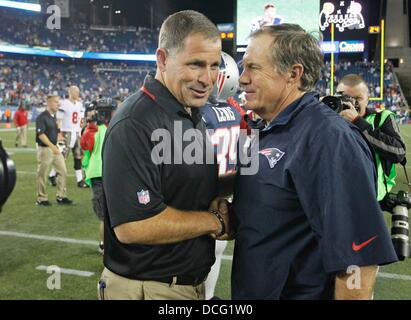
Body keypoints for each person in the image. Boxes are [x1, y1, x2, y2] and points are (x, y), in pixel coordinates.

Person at [230, 24, 397, 300]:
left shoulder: (328, 138)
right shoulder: (273, 128)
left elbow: (359, 260)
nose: (242, 78)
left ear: (293, 74)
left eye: (252, 68)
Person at [99, 10, 229, 300]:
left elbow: (186, 182)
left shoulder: (189, 111)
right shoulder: (135, 122)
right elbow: (134, 226)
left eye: (214, 66)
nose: (207, 78)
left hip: (183, 284)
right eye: (195, 64)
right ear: (162, 59)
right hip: (149, 288)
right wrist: (215, 222)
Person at [201, 52, 243, 300]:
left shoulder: (201, 113)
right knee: (216, 254)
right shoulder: (234, 112)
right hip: (227, 195)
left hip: (204, 197)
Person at [336, 74, 406, 204]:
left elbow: (399, 152)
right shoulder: (329, 118)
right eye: (344, 97)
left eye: (357, 98)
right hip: (339, 197)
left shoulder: (381, 119)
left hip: (371, 198)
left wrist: (358, 122)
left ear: (368, 99)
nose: (351, 102)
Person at [80, 98, 118, 255]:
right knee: (107, 214)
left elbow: (84, 148)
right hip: (107, 173)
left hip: (100, 174)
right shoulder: (108, 128)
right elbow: (86, 145)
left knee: (105, 214)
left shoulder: (95, 129)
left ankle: (106, 243)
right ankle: (105, 244)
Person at [35, 95, 72, 206]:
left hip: (54, 148)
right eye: (56, 102)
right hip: (45, 149)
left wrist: (60, 138)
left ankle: (61, 196)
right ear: (49, 103)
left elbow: (54, 132)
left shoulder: (53, 116)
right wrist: (52, 146)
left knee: (63, 171)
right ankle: (41, 198)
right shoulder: (42, 117)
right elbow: (41, 134)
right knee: (42, 174)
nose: (58, 104)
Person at [51, 86, 88, 188]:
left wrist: (82, 130)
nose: (78, 94)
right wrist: (59, 133)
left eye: (78, 92)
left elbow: (82, 119)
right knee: (62, 157)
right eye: (76, 92)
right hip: (66, 132)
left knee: (78, 156)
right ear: (70, 92)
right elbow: (58, 119)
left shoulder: (80, 104)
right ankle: (52, 175)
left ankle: (80, 180)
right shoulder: (64, 103)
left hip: (76, 133)